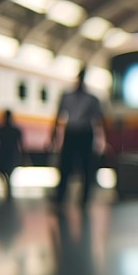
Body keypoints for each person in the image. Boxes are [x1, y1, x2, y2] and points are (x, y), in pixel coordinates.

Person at [50, 67, 105, 208]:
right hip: (75, 131)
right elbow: (59, 116)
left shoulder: (89, 99)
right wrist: (54, 134)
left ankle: (82, 197)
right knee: (66, 166)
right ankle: (62, 195)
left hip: (82, 132)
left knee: (85, 167)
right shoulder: (82, 98)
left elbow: (98, 119)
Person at [0, 109, 23, 199]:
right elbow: (21, 145)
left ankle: (8, 190)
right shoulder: (16, 130)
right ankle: (8, 190)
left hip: (3, 154)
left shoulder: (0, 130)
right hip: (12, 154)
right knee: (9, 173)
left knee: (4, 172)